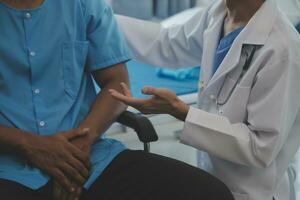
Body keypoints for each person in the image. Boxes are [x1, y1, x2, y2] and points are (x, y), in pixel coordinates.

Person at [0, 0, 235, 200]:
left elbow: (117, 83)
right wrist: (28, 144)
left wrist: (81, 144)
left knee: (210, 193)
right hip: (8, 166)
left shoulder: (82, 5)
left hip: (88, 158)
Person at [111, 0, 300, 200]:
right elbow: (167, 43)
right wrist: (103, 17)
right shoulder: (218, 13)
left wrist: (182, 112)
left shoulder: (283, 51)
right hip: (212, 181)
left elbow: (260, 148)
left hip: (251, 191)